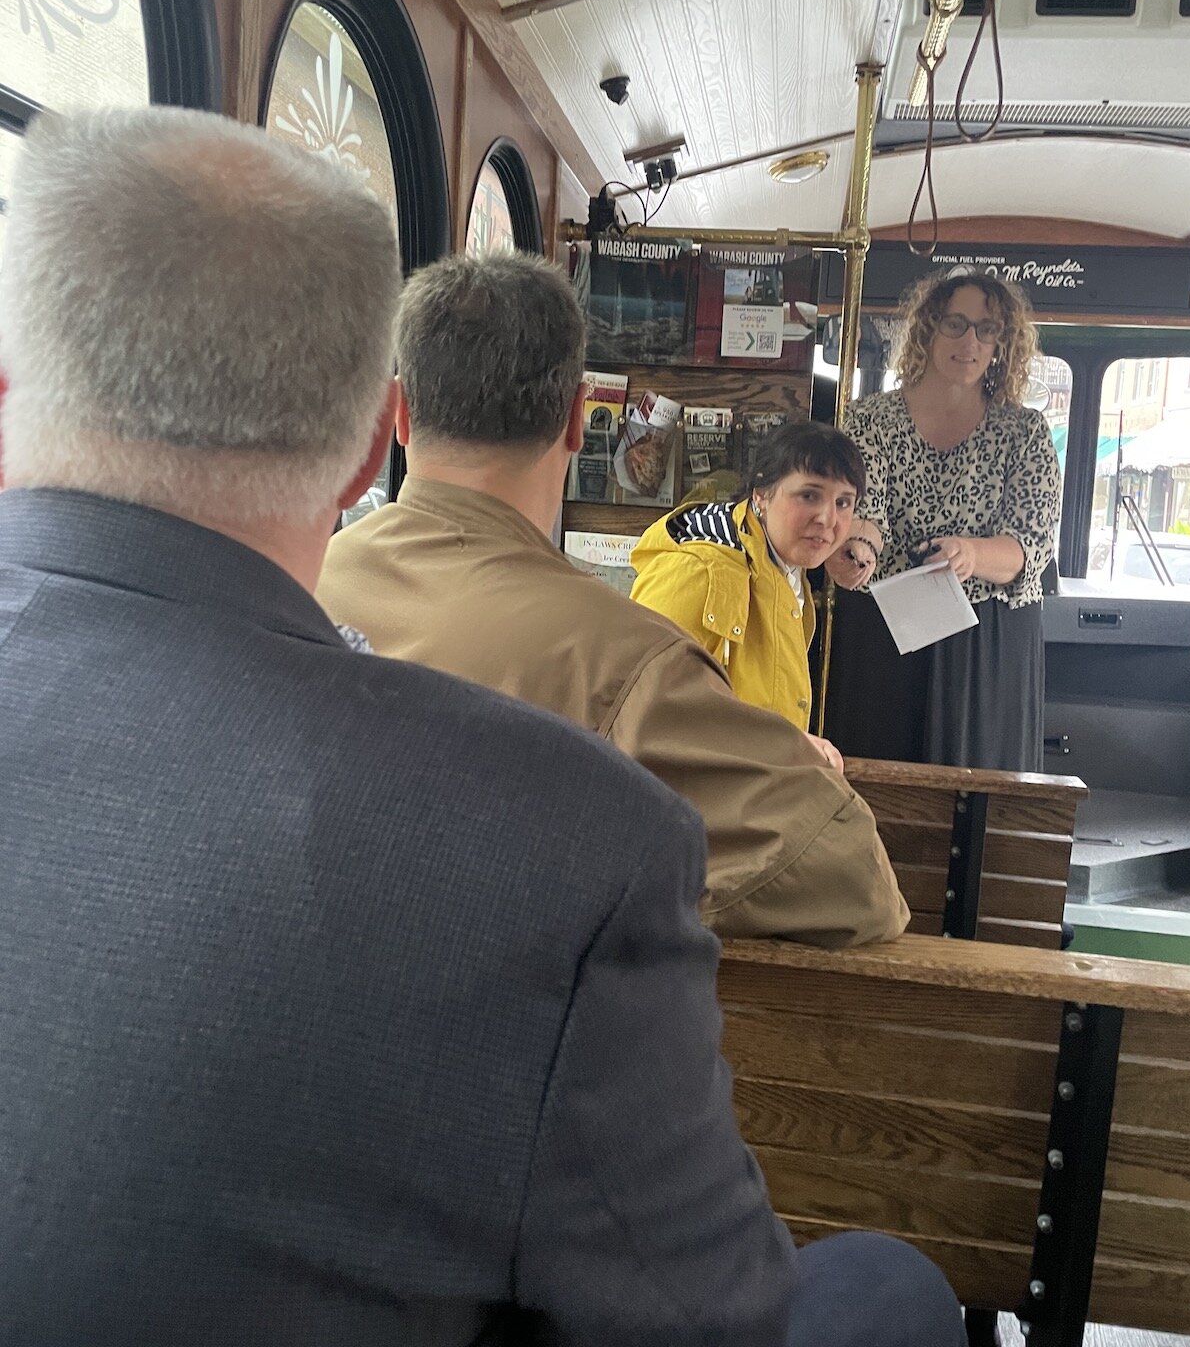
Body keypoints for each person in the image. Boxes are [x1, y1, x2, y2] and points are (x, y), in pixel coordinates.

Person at [0, 109, 964, 1347]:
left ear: (395, 435)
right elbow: (708, 1322)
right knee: (887, 1287)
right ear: (365, 446)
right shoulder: (577, 838)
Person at [318, 252, 908, 947]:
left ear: (398, 415)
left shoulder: (301, 582)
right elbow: (855, 883)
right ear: (578, 420)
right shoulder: (629, 660)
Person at [824, 265, 1062, 772]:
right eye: (956, 324)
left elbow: (1031, 544)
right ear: (929, 327)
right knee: (877, 790)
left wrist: (972, 554)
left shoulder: (1025, 431)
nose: (969, 340)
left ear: (1002, 343)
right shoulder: (871, 419)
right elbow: (863, 507)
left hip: (986, 643)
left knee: (975, 809)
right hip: (885, 628)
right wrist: (857, 548)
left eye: (986, 329)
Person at [629, 418, 871, 757]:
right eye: (809, 495)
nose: (828, 519)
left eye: (843, 502)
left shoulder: (783, 564)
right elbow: (644, 710)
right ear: (761, 495)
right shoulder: (698, 570)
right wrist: (783, 745)